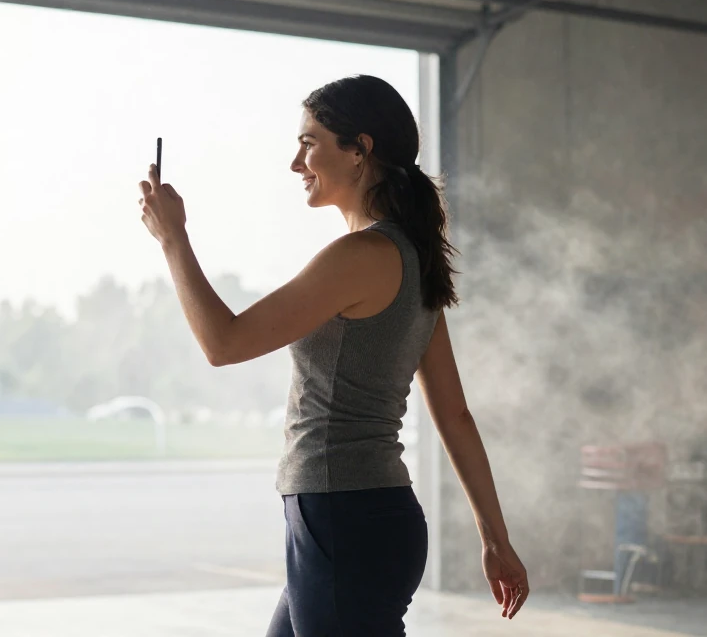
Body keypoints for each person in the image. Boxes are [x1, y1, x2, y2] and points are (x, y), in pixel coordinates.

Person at [135, 74, 528, 636]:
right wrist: (495, 539)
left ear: (359, 149)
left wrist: (173, 239)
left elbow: (224, 343)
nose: (296, 163)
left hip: (344, 518)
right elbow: (455, 415)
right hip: (364, 518)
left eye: (309, 143)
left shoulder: (358, 256)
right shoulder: (413, 258)